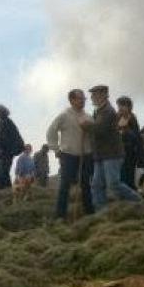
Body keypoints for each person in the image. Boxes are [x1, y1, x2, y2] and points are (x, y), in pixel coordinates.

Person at [89, 85, 141, 210]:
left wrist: (86, 126)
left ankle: (137, 201)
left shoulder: (108, 111)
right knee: (97, 185)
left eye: (94, 94)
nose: (91, 97)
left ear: (103, 95)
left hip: (112, 154)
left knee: (113, 183)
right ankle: (101, 212)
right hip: (101, 154)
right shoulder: (99, 111)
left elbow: (100, 130)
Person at [46, 88, 95, 220]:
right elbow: (51, 131)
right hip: (68, 155)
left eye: (84, 99)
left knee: (86, 184)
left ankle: (89, 212)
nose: (83, 101)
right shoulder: (64, 115)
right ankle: (60, 215)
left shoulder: (88, 117)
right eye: (80, 99)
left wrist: (89, 130)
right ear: (72, 100)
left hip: (85, 154)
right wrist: (56, 149)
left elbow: (93, 135)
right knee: (65, 185)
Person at [0, 105, 24, 192]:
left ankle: (7, 190)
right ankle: (8, 190)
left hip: (6, 151)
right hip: (11, 151)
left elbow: (3, 139)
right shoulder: (9, 121)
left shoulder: (2, 122)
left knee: (3, 172)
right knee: (4, 171)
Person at [116, 96, 143, 190]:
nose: (119, 108)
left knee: (129, 172)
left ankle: (130, 193)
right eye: (119, 106)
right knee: (121, 173)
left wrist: (126, 129)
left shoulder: (132, 119)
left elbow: (136, 136)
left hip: (130, 151)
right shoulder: (117, 117)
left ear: (128, 107)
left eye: (122, 106)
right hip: (119, 150)